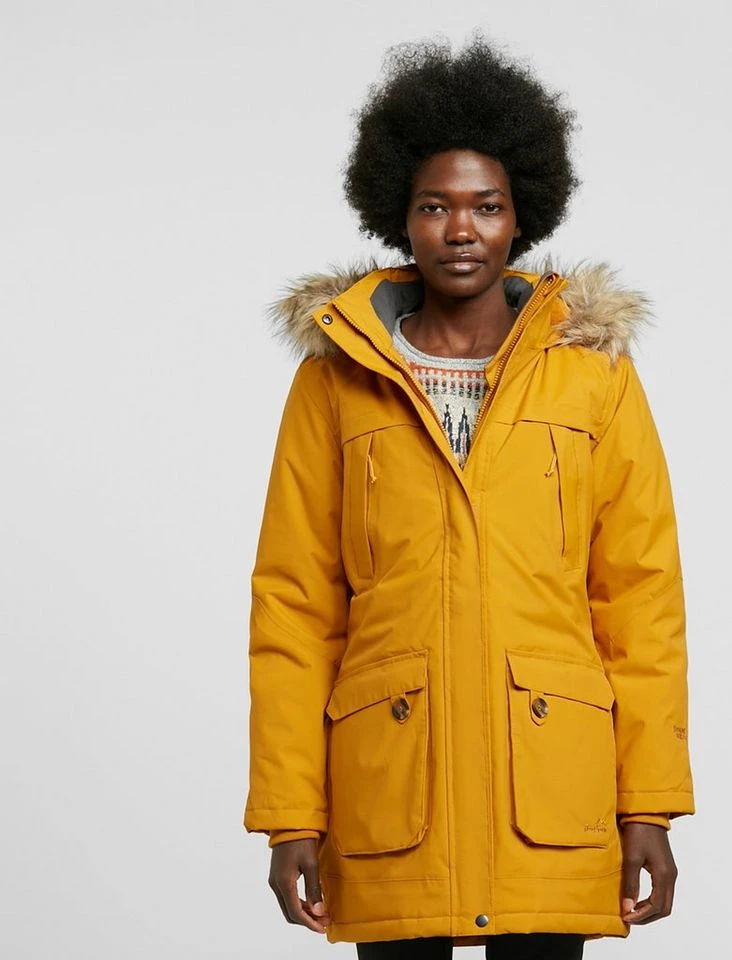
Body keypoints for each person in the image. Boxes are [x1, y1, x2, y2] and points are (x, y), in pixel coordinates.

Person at [243, 34, 695, 959]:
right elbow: (294, 604)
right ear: (399, 217)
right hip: (391, 795)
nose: (461, 230)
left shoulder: (593, 376)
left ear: (520, 215)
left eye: (486, 206)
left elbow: (640, 599)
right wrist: (291, 813)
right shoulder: (336, 382)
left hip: (552, 797)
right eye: (435, 206)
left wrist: (648, 803)